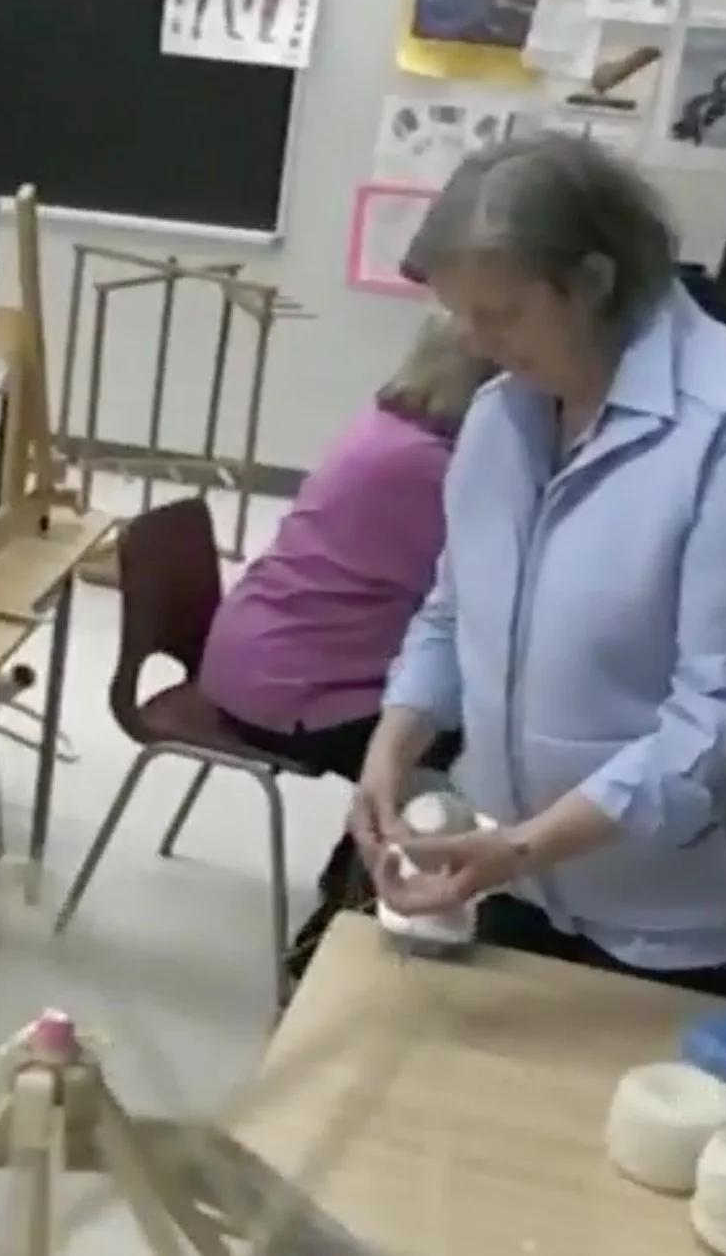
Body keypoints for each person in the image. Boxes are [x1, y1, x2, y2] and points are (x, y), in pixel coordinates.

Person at [360, 133, 726, 1003]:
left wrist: (528, 842)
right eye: (462, 314)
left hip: (676, 924)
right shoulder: (505, 414)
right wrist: (396, 740)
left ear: (594, 281)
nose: (477, 340)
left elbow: (719, 720)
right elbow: (452, 612)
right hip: (512, 876)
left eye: (501, 314)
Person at [199, 314, 491, 978]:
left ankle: (344, 920)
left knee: (440, 733)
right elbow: (481, 599)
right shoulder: (429, 465)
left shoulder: (389, 426)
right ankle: (329, 950)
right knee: (449, 760)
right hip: (290, 684)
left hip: (259, 653)